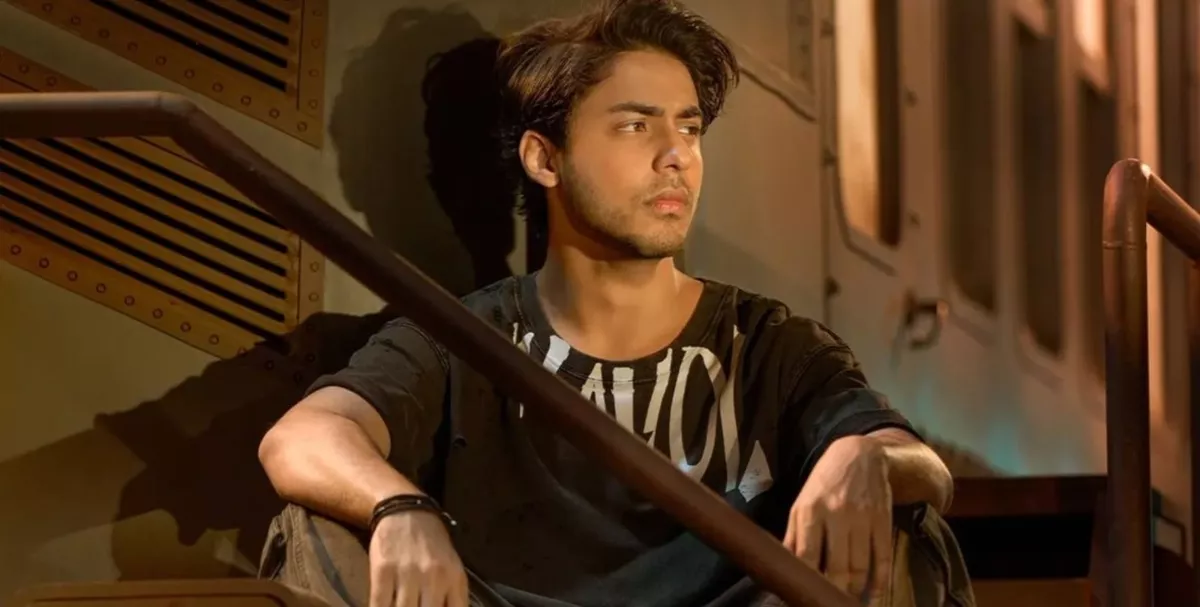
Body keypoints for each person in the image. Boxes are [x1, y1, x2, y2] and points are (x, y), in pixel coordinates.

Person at [257, 1, 962, 606]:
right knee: (315, 521)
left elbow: (923, 466)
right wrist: (398, 506)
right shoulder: (464, 336)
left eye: (689, 128)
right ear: (545, 159)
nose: (677, 155)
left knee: (907, 523)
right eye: (636, 126)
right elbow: (303, 435)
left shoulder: (770, 342)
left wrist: (864, 456)